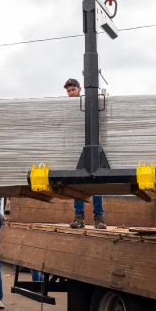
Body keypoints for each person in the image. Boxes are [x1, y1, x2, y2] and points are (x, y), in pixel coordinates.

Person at [64, 78, 106, 230]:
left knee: (97, 183)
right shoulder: (67, 107)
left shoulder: (90, 103)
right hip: (76, 148)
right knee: (77, 185)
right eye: (68, 91)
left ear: (80, 89)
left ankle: (99, 218)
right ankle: (79, 217)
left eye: (73, 90)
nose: (70, 93)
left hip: (93, 146)